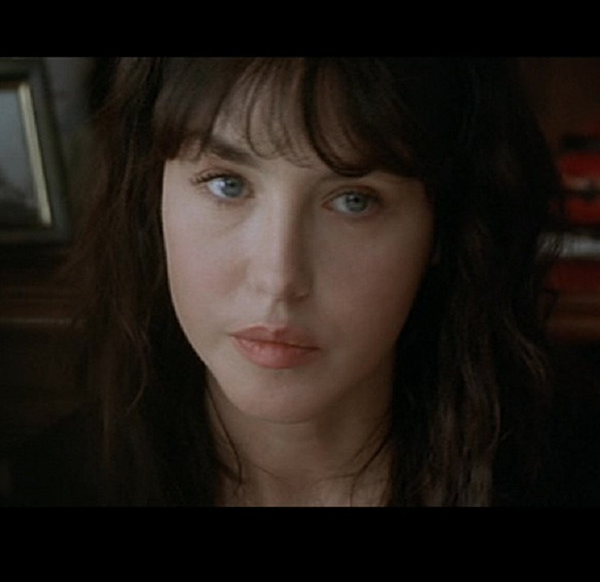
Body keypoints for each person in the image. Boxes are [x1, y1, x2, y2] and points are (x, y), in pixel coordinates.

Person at [8, 57, 600, 507]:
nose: (278, 278)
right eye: (227, 184)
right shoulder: (45, 485)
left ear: (443, 229)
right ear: (152, 196)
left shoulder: (566, 476)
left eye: (353, 200)